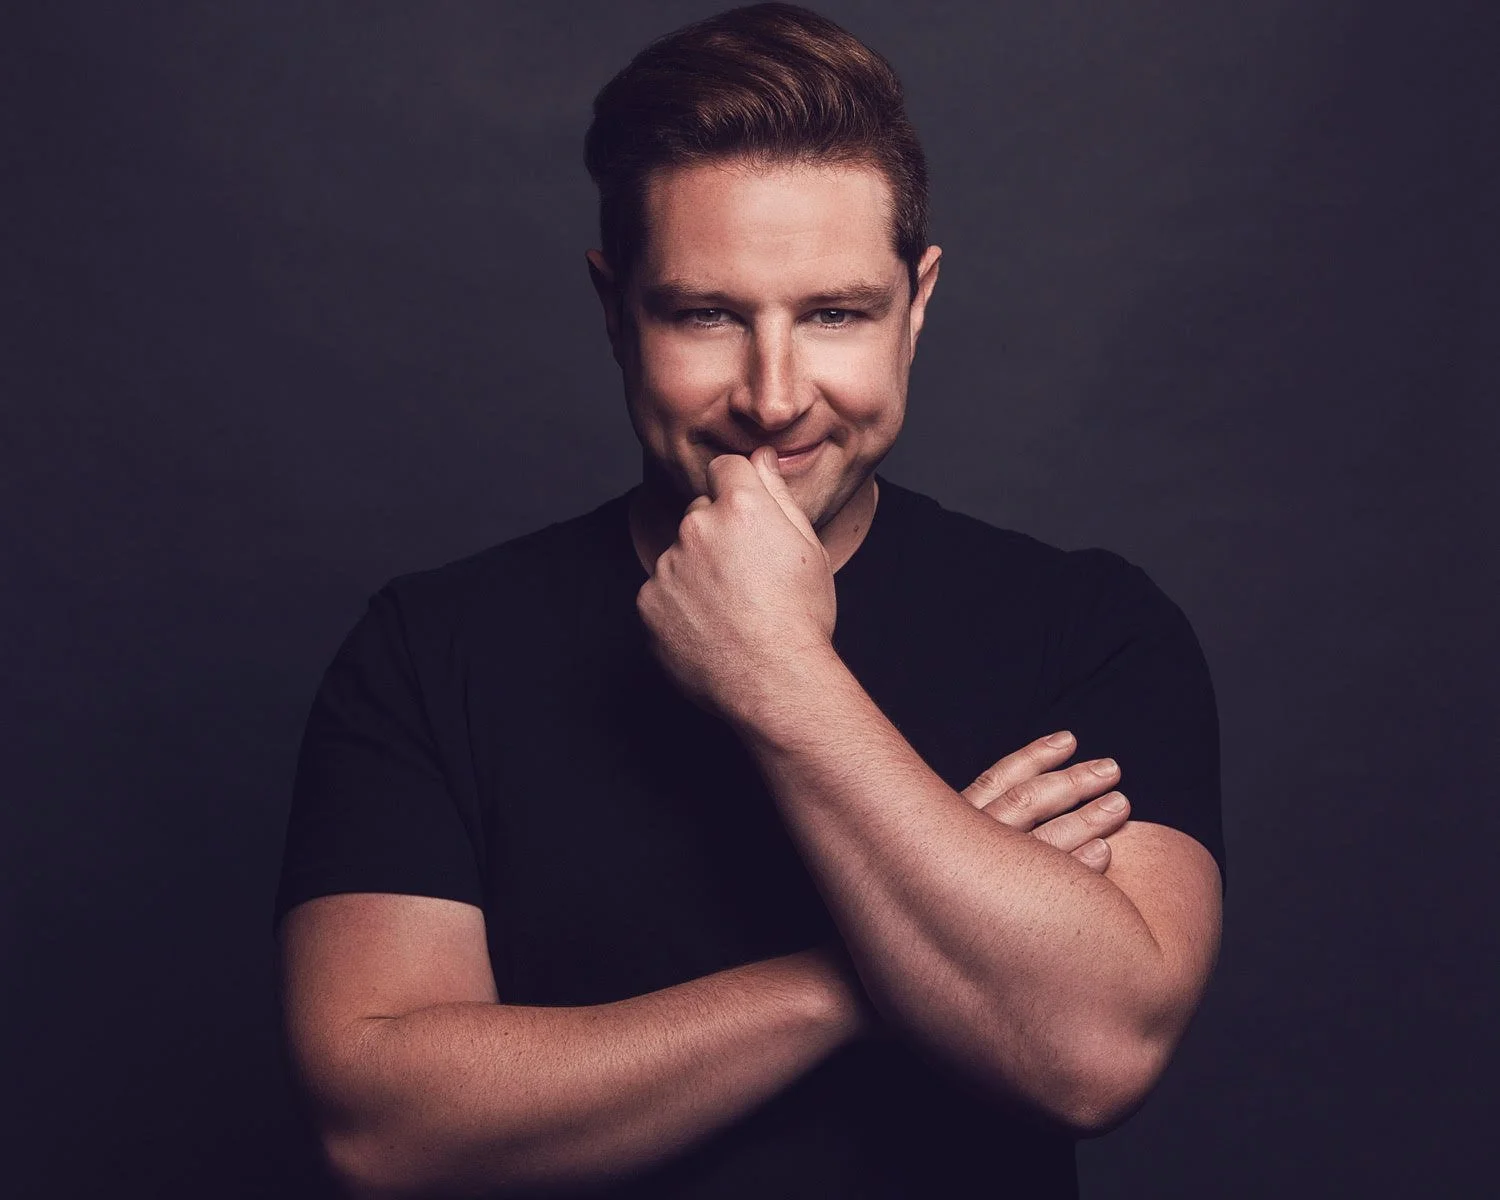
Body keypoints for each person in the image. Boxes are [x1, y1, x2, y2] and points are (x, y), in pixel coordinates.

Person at [273, 4, 1226, 1197]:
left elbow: (1092, 1050)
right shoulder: (427, 649)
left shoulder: (1090, 630)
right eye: (706, 315)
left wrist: (779, 673)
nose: (774, 396)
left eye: (835, 314)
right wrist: (854, 978)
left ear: (916, 304)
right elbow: (386, 1128)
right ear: (615, 309)